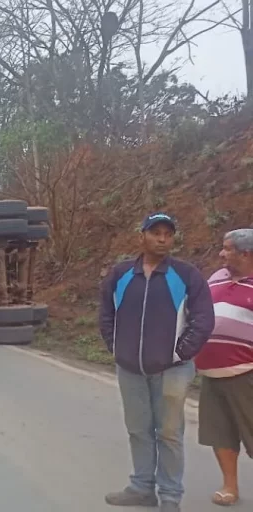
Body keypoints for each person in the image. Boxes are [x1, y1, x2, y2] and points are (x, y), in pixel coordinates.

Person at [98, 212, 215, 512]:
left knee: (169, 433)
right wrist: (115, 347)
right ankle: (141, 488)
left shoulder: (187, 275)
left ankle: (170, 496)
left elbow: (203, 320)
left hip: (172, 370)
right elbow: (106, 314)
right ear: (142, 236)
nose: (162, 239)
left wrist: (180, 353)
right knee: (138, 430)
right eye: (156, 233)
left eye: (168, 234)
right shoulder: (121, 274)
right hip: (130, 369)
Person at [194, 228, 253, 507]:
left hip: (247, 372)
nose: (221, 253)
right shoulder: (216, 278)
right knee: (220, 433)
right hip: (211, 372)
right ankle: (230, 486)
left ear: (245, 253)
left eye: (227, 248)